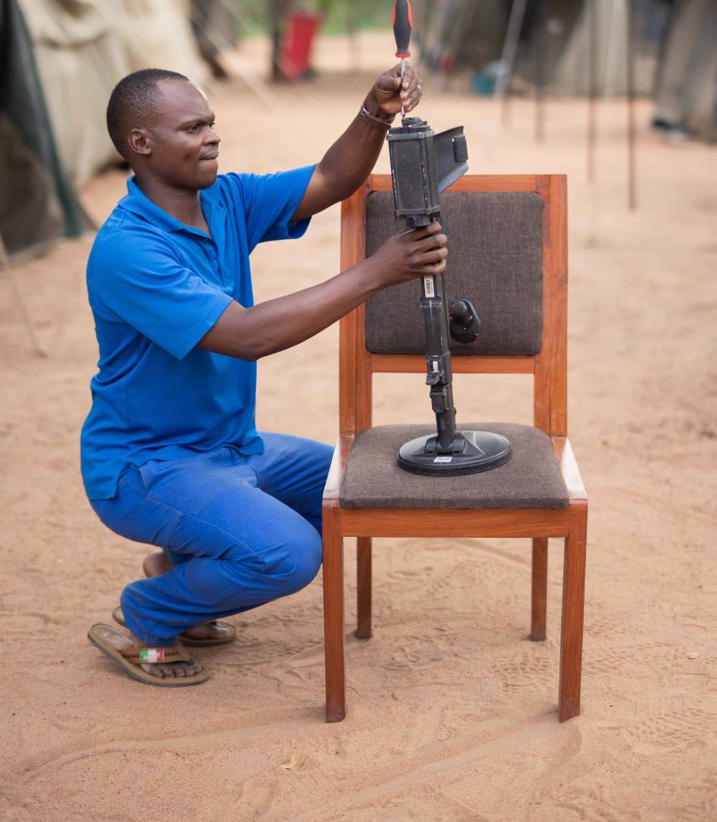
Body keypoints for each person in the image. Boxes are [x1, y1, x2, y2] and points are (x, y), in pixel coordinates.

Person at [82, 64, 447, 686]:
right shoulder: (128, 249)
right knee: (289, 553)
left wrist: (375, 110)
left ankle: (183, 569)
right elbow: (248, 336)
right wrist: (374, 271)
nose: (212, 137)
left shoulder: (224, 200)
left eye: (211, 123)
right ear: (140, 142)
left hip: (231, 448)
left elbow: (330, 178)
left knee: (350, 490)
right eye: (192, 128)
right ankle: (149, 613)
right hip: (147, 467)